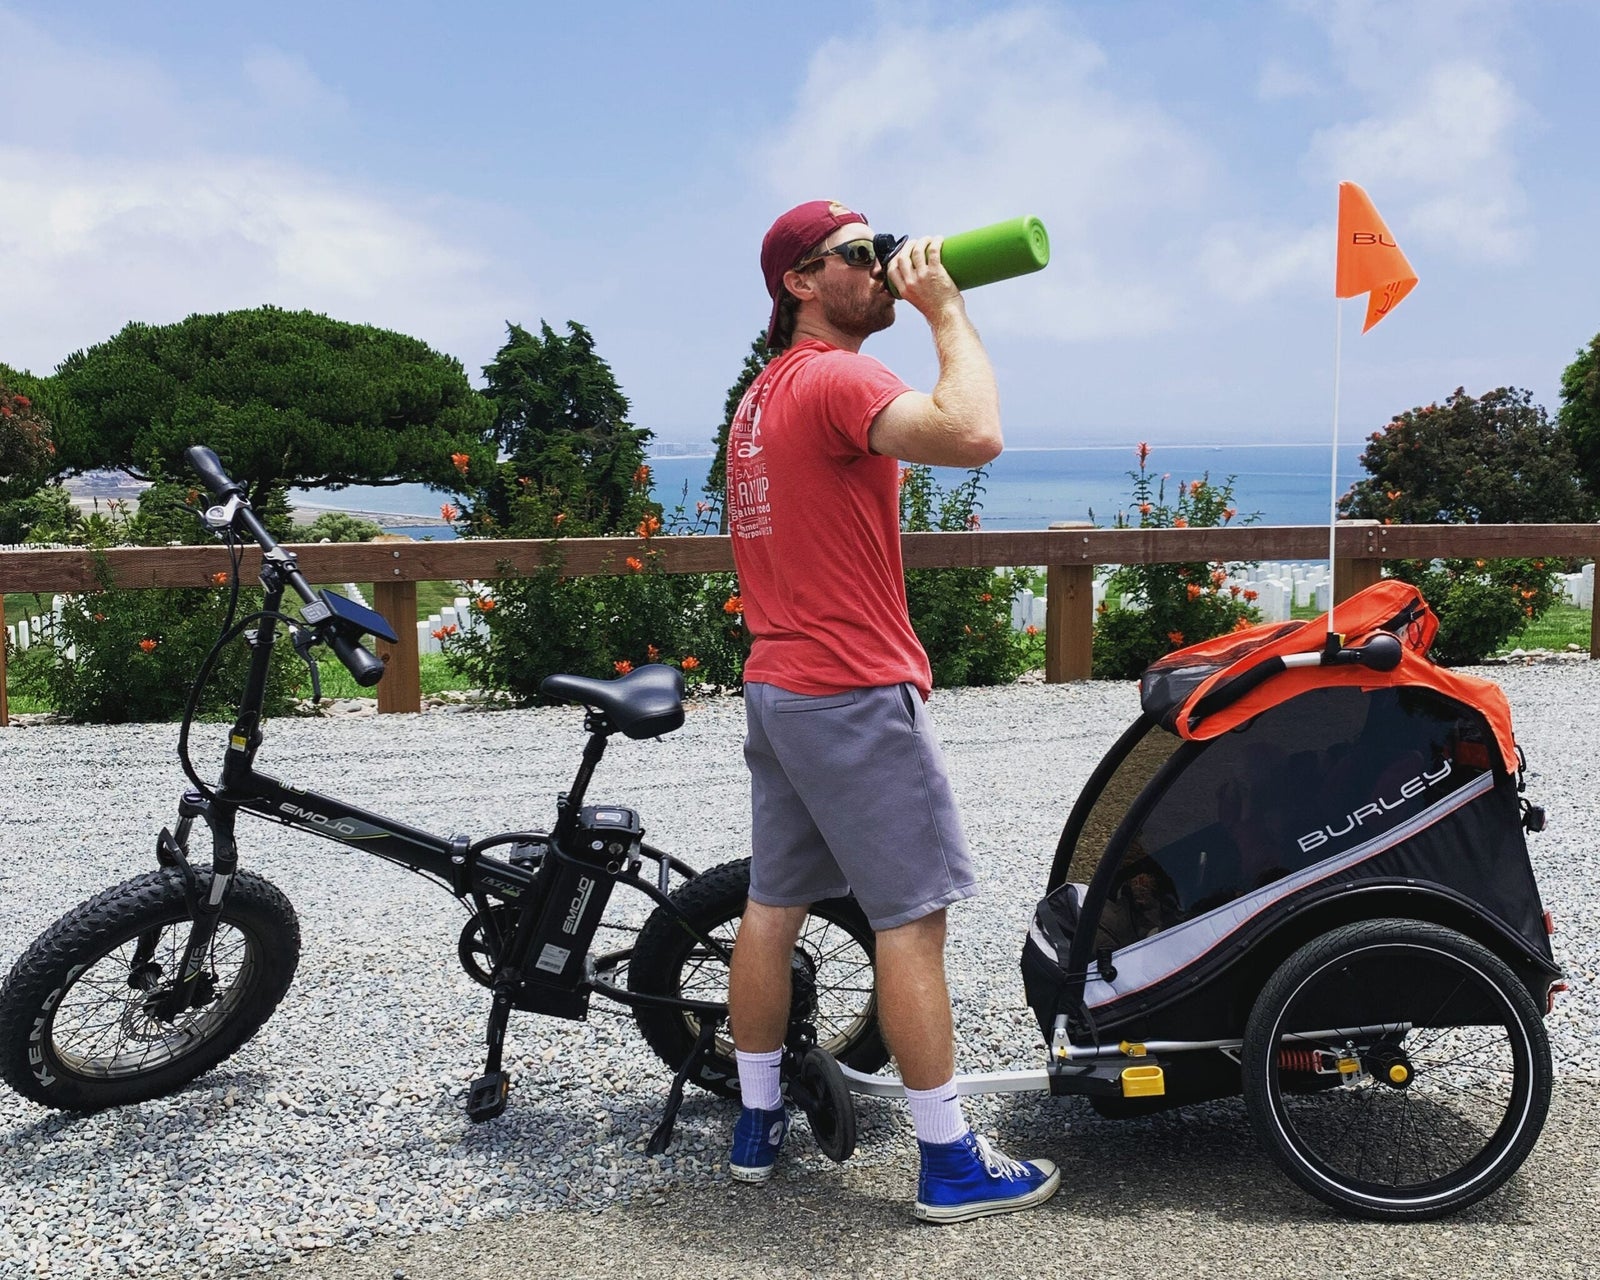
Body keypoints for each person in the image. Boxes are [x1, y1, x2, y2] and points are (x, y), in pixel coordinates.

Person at [722, 199, 1060, 1223]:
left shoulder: (759, 396)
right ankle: (949, 1159)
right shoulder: (836, 373)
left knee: (772, 907)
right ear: (799, 282)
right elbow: (974, 431)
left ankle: (754, 1121)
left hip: (780, 681)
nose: (878, 269)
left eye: (881, 253)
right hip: (852, 690)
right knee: (909, 921)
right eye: (856, 258)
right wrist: (943, 310)